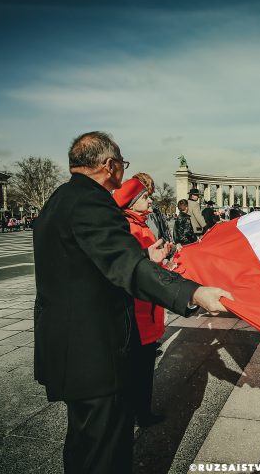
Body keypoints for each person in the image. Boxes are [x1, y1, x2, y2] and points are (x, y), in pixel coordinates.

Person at [33, 131, 232, 474]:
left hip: (65, 347)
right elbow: (126, 268)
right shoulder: (94, 201)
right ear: (110, 166)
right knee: (106, 451)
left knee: (84, 444)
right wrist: (193, 292)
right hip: (95, 351)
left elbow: (88, 262)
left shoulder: (60, 199)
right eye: (122, 165)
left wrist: (141, 254)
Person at [113, 176, 166, 427]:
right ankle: (141, 413)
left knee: (143, 364)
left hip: (147, 306)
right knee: (140, 367)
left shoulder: (141, 224)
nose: (150, 199)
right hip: (139, 308)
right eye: (145, 196)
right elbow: (136, 268)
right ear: (132, 202)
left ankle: (141, 410)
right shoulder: (131, 227)